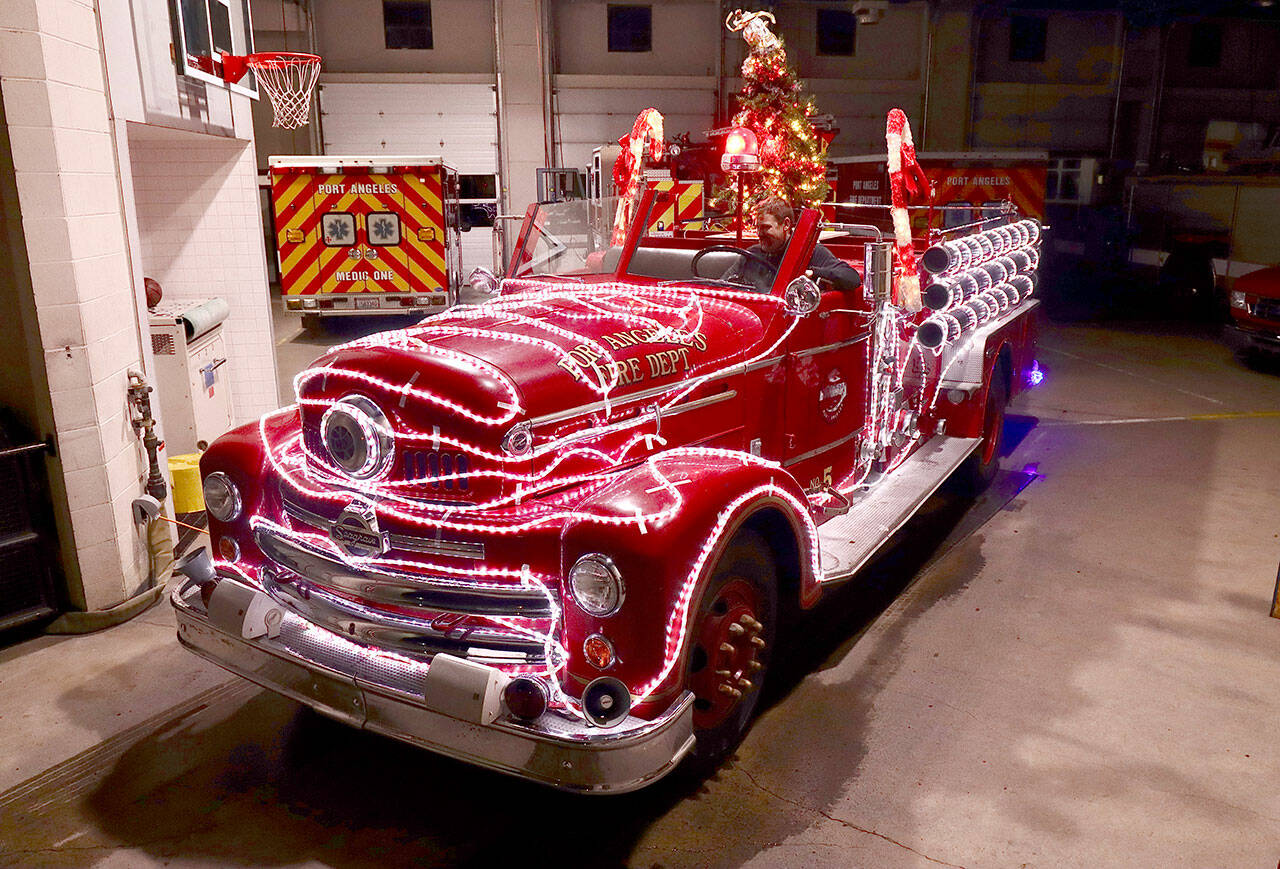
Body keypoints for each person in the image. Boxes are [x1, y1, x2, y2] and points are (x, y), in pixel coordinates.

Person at [725, 197, 863, 293]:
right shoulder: (751, 255)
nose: (760, 234)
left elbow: (852, 278)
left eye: (766, 228)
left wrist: (812, 273)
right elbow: (723, 284)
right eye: (757, 228)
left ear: (785, 225)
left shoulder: (811, 254)